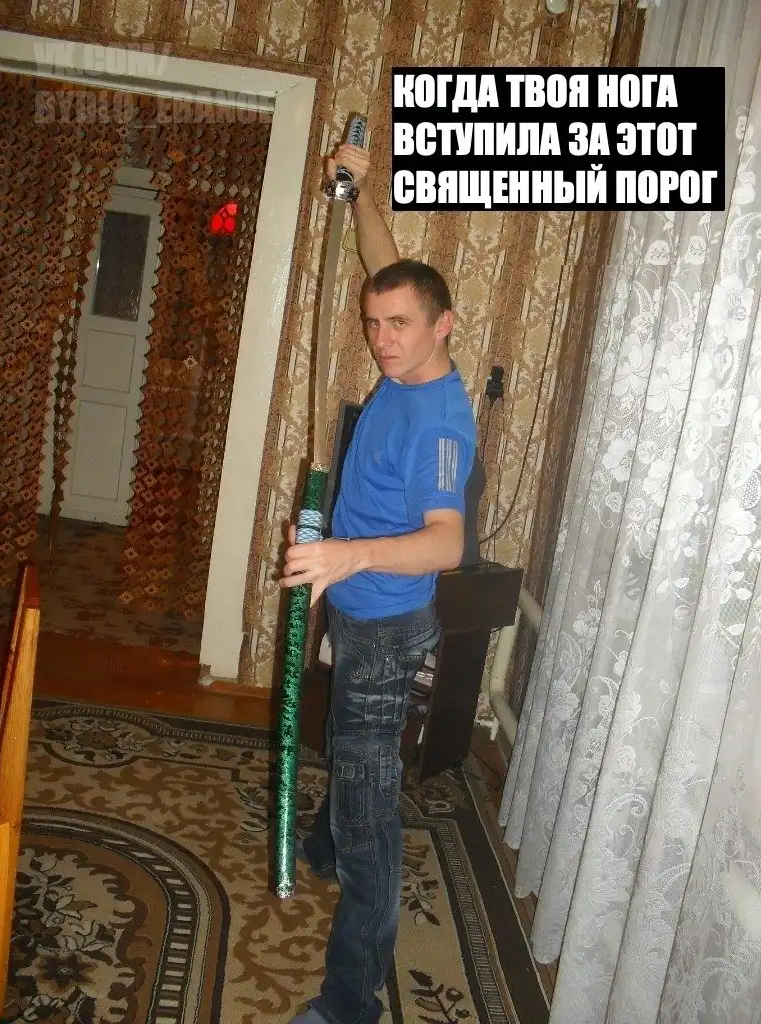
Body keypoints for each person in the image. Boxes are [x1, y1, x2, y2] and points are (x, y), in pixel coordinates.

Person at [278, 147, 478, 1024]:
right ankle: (324, 846)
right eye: (373, 324)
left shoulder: (441, 424)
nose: (382, 340)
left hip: (388, 624)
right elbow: (382, 259)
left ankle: (349, 1004)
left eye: (399, 325)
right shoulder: (405, 364)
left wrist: (346, 558)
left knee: (371, 820)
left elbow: (447, 544)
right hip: (359, 608)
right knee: (347, 740)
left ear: (443, 325)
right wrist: (362, 191)